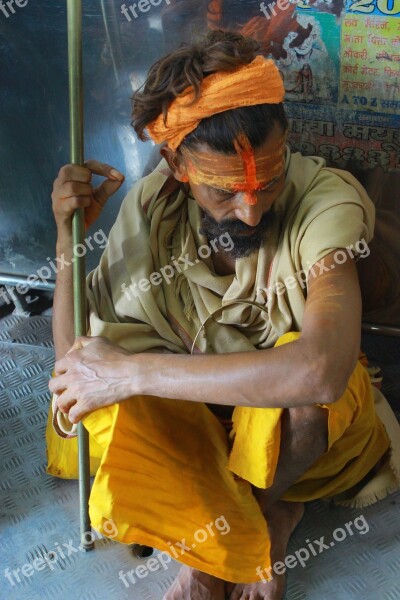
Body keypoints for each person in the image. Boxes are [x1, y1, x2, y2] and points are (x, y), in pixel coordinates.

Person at [48, 31, 400, 600]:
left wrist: (132, 372)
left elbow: (320, 372)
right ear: (176, 163)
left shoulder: (326, 201)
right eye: (226, 191)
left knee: (306, 400)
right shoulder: (151, 205)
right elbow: (75, 367)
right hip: (194, 418)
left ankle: (262, 511)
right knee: (99, 405)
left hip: (290, 429)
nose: (253, 206)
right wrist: (67, 245)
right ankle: (219, 535)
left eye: (271, 176)